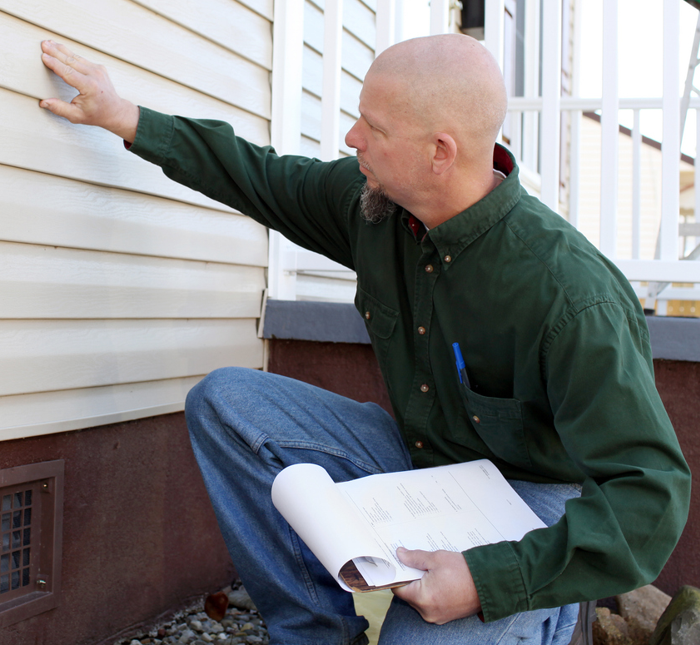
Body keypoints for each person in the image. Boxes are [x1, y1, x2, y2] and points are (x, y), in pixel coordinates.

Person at [39, 34, 690, 645]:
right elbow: (262, 176)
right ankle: (317, 629)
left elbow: (647, 496)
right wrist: (125, 116)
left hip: (528, 503)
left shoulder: (570, 293)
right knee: (228, 402)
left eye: (373, 129)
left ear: (440, 151)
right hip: (418, 461)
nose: (352, 138)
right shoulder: (374, 209)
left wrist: (487, 580)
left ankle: (542, 614)